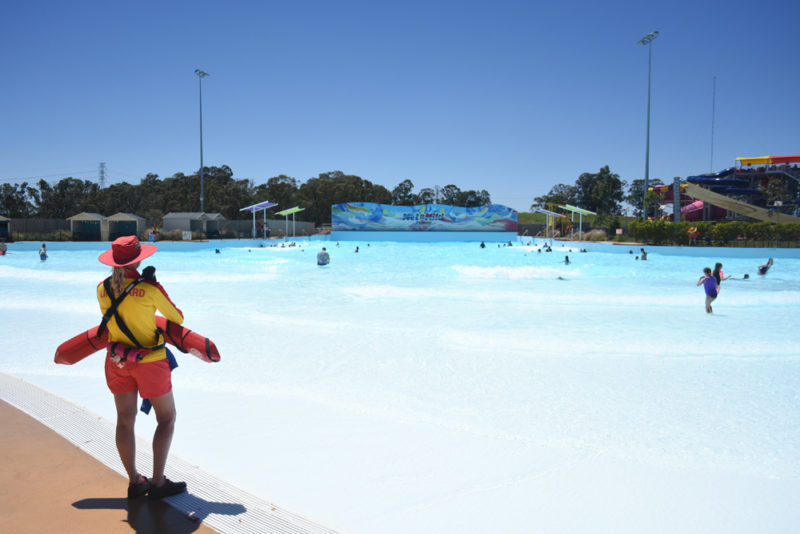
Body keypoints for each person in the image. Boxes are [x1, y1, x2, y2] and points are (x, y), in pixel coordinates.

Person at [97, 236, 187, 500]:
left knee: (125, 421)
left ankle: (135, 481)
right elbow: (177, 317)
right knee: (167, 418)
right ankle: (158, 482)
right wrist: (155, 285)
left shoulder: (101, 288)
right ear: (139, 259)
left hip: (117, 360)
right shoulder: (149, 288)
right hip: (149, 362)